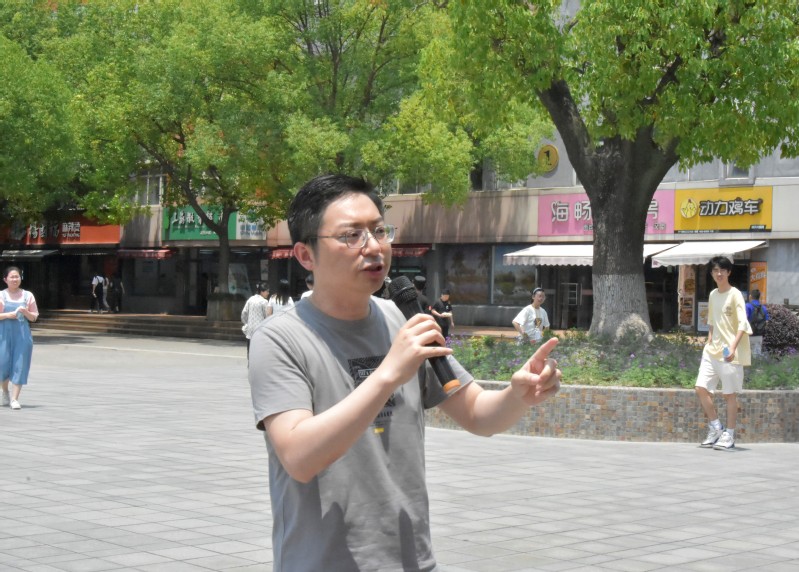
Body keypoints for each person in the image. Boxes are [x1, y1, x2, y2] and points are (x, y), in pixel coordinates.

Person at [248, 174, 561, 572]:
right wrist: (387, 375)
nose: (373, 246)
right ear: (305, 255)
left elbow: (478, 413)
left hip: (413, 561)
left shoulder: (402, 319)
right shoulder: (279, 339)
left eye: (379, 231)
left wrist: (518, 395)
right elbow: (299, 457)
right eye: (351, 235)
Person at [695, 256, 752, 451]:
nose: (718, 273)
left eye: (722, 270)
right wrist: (709, 338)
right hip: (711, 351)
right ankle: (716, 427)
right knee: (700, 388)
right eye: (715, 270)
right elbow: (712, 320)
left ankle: (729, 434)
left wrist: (734, 347)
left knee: (729, 394)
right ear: (711, 273)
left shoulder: (735, 295)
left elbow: (743, 324)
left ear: (729, 272)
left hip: (729, 352)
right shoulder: (713, 294)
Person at [1, 266, 39, 411]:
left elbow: (34, 317)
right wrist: (8, 315)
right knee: (2, 364)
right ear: (5, 279)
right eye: (12, 277)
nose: (15, 279)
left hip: (22, 335)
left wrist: (25, 312)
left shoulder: (28, 296)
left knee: (20, 365)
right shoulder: (1, 295)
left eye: (17, 276)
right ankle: (4, 391)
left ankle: (15, 399)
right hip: (3, 334)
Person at [241, 283, 270, 358]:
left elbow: (244, 313)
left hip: (250, 331)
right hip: (260, 332)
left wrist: (247, 323)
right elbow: (267, 317)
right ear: (262, 291)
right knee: (259, 355)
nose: (268, 293)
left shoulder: (250, 299)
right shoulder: (264, 302)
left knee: (250, 354)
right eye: (267, 291)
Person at [745, 289, 769, 357]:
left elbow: (744, 320)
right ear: (759, 297)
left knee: (747, 355)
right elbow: (767, 321)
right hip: (759, 334)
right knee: (757, 355)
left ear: (750, 296)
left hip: (748, 334)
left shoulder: (747, 306)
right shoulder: (764, 308)